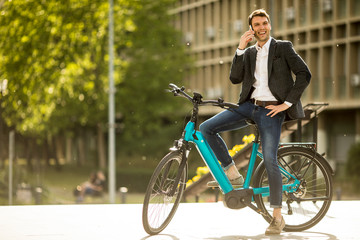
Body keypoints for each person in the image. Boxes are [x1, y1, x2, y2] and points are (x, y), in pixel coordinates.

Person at [200, 9, 311, 235]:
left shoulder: (283, 48)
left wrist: (286, 104)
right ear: (252, 28)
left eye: (264, 23)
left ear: (269, 25)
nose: (261, 28)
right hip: (249, 106)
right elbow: (234, 78)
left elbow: (304, 73)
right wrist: (240, 48)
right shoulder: (249, 53)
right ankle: (232, 172)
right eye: (256, 25)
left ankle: (277, 218)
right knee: (206, 128)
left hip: (272, 110)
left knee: (269, 158)